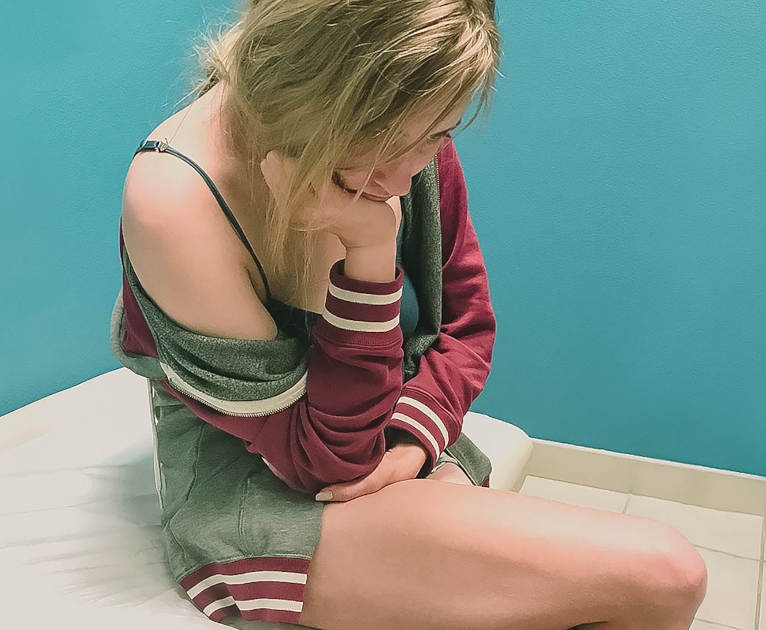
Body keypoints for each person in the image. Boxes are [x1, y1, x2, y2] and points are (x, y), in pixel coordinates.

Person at [109, 1, 708, 628]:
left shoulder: (401, 129)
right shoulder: (177, 201)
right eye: (384, 145)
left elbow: (466, 328)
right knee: (663, 574)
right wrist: (368, 253)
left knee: (648, 579)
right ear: (308, 90)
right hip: (265, 480)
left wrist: (411, 442)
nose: (404, 175)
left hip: (384, 430)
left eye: (438, 135)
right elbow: (322, 462)